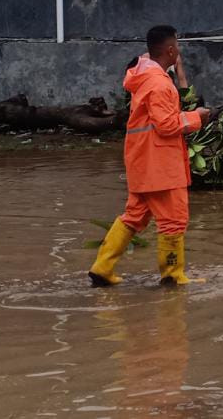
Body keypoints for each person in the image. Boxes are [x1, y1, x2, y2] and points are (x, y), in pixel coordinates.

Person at [89, 25, 212, 287]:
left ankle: (102, 267)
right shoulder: (158, 84)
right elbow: (167, 126)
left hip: (143, 162)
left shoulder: (145, 80)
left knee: (134, 216)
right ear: (170, 50)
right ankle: (172, 275)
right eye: (177, 45)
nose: (178, 50)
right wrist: (196, 117)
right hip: (161, 167)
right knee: (174, 220)